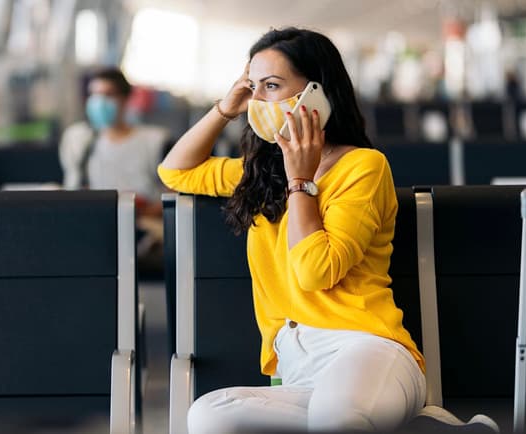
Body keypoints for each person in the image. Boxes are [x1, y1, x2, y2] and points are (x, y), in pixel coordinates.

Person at [158, 28, 498, 433]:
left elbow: (316, 272)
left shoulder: (363, 167)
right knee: (208, 416)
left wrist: (301, 184)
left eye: (271, 86)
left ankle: (384, 414)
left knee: (335, 416)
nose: (258, 102)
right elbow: (175, 171)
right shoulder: (259, 174)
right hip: (300, 370)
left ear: (316, 93)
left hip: (369, 349)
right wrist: (225, 108)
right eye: (253, 88)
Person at [59, 67, 168, 270]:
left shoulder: (154, 141)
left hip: (143, 229)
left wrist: (136, 212)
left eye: (108, 95)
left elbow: (175, 196)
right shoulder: (79, 141)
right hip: (97, 228)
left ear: (126, 99)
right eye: (94, 95)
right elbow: (73, 190)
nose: (99, 102)